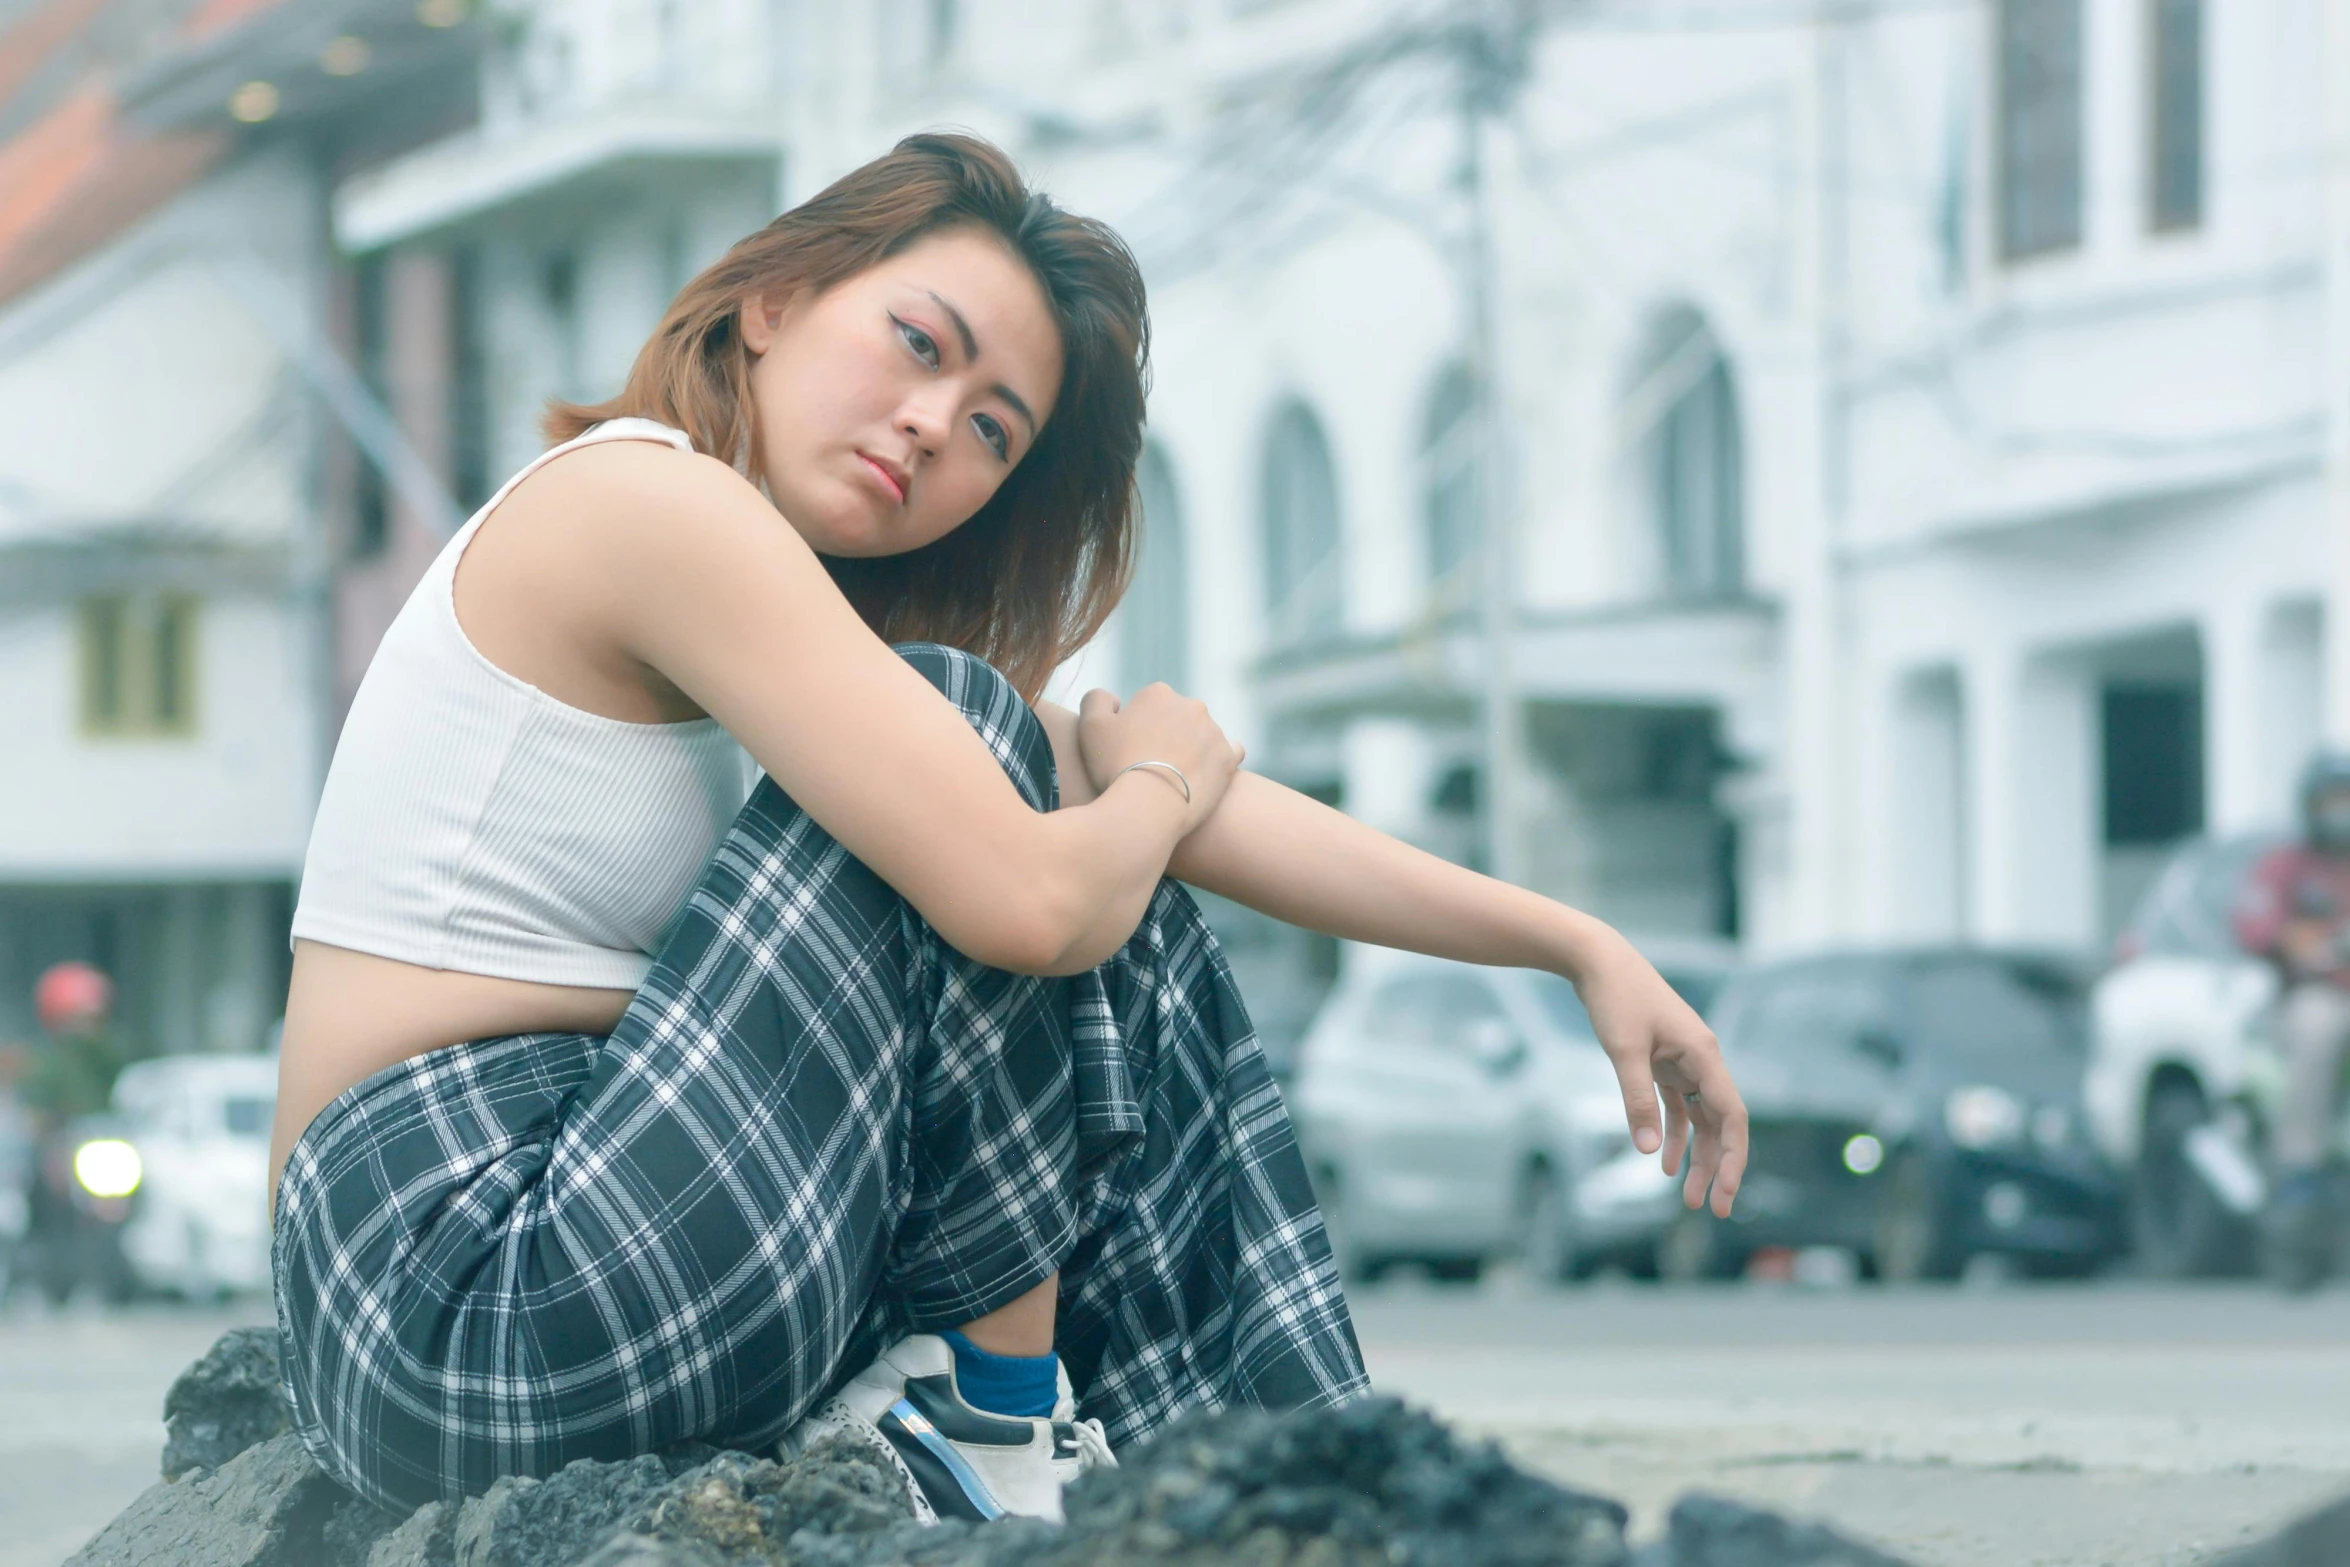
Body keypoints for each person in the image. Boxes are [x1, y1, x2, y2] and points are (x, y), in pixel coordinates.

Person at [269, 133, 1747, 1523]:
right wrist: (1152, 784)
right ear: (774, 298)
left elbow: (1199, 834)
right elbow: (1036, 905)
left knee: (1099, 864)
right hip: (456, 1277)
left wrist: (1570, 941)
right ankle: (1006, 1428)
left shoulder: (799, 631)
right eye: (918, 345)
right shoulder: (641, 500)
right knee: (1012, 779)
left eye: (991, 429)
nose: (931, 426)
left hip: (635, 1233)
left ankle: (1251, 1474)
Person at [2237, 749, 2350, 1284]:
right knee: (2320, 1024)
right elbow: (2258, 928)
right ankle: (2301, 1165)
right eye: (2331, 801)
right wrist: (2308, 943)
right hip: (2311, 999)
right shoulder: (2286, 866)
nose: (2340, 811)